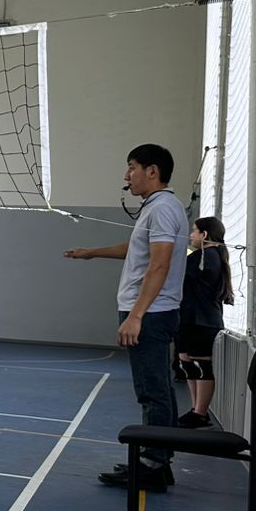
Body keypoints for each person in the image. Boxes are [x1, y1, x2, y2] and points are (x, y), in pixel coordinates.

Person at [65, 143, 189, 492]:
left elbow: (159, 264)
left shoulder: (162, 208)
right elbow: (137, 249)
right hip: (154, 311)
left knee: (152, 390)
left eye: (132, 167)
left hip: (151, 313)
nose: (126, 175)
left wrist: (136, 316)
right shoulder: (160, 208)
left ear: (153, 171)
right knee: (158, 388)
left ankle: (152, 465)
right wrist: (91, 253)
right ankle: (158, 460)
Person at [175, 216, 233, 429]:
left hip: (202, 321)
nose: (191, 235)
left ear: (204, 234)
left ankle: (200, 413)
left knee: (201, 366)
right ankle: (195, 409)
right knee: (187, 363)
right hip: (189, 319)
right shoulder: (201, 256)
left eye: (194, 231)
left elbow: (178, 265)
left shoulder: (207, 256)